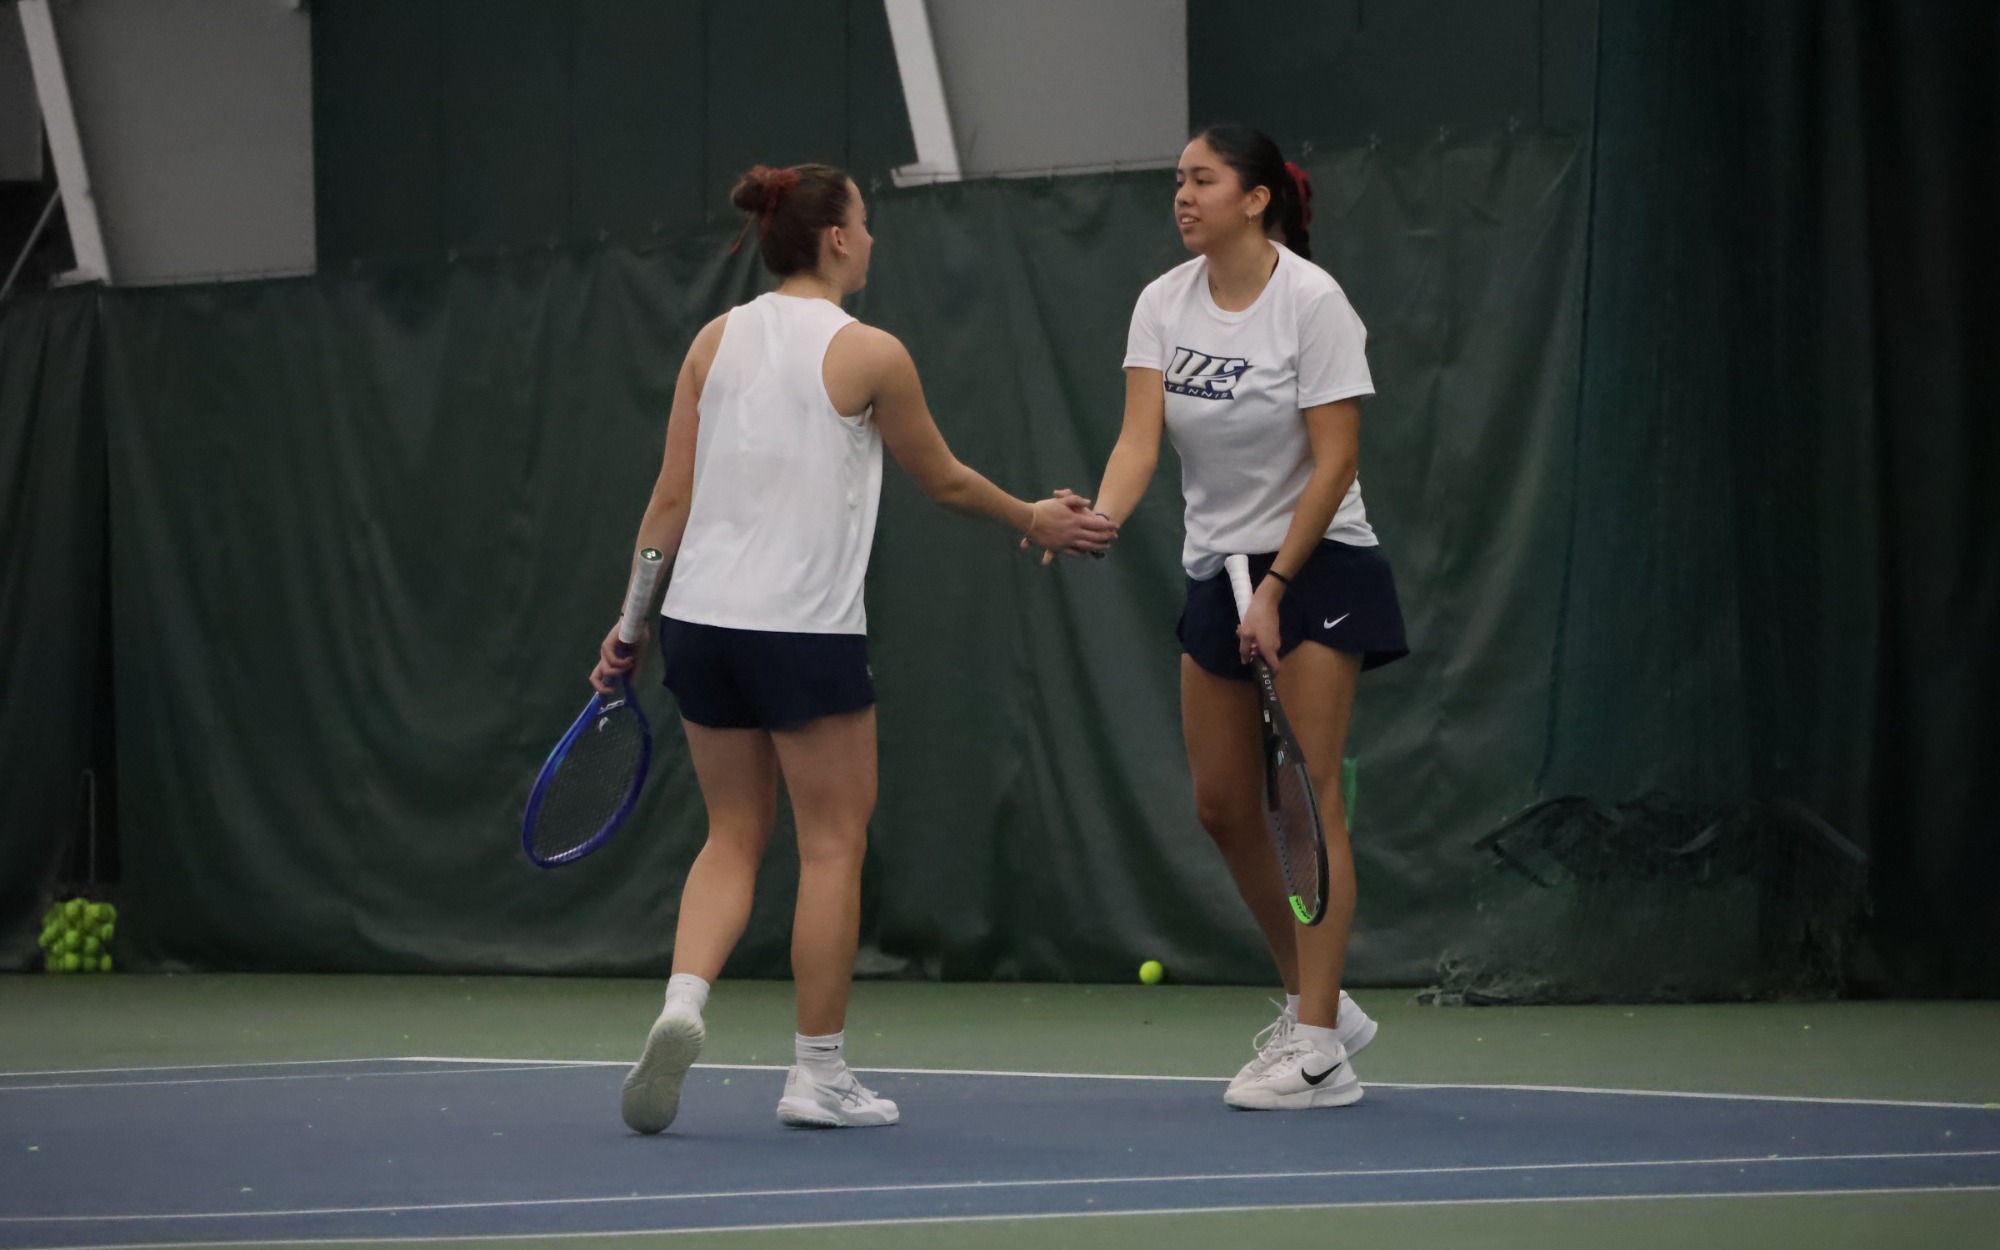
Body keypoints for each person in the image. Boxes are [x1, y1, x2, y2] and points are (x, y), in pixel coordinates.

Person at [594, 162, 1115, 1133]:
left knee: (729, 836)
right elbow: (948, 481)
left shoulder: (712, 341)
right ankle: (816, 1073)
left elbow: (668, 500)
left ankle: (682, 1000)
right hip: (802, 630)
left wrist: (629, 628)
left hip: (698, 626)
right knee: (831, 843)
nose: (871, 238)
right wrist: (1035, 517)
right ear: (833, 237)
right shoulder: (870, 351)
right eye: (864, 223)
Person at [1084, 125, 1408, 1109]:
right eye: (1177, 180)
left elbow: (1336, 457)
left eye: (1202, 179)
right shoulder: (1160, 303)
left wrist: (1275, 588)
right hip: (1214, 567)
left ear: (1256, 197)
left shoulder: (1311, 303)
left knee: (1304, 801)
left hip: (1316, 563)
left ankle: (1315, 1047)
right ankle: (1322, 997)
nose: (1181, 195)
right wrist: (1100, 512)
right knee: (1223, 804)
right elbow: (1141, 438)